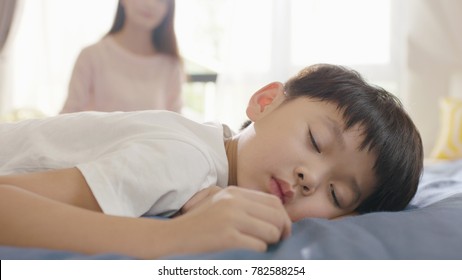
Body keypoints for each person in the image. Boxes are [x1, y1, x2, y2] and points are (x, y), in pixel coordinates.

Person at [0, 64, 423, 259]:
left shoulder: (208, 160)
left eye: (336, 193)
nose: (310, 177)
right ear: (265, 101)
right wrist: (170, 240)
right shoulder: (182, 157)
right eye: (315, 141)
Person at [60, 0, 184, 113]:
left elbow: (176, 123)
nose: (150, 4)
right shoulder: (91, 56)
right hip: (99, 138)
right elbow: (69, 115)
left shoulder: (171, 65)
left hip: (154, 138)